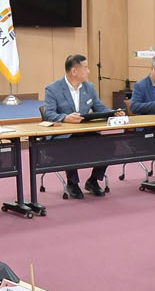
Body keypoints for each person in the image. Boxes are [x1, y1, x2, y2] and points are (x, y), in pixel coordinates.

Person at [41, 53, 112, 199]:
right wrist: (65, 118)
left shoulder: (89, 87)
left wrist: (114, 113)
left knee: (109, 146)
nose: (89, 71)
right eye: (85, 68)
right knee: (71, 147)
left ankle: (93, 181)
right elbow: (49, 114)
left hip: (85, 132)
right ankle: (72, 183)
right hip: (63, 136)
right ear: (74, 71)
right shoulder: (53, 89)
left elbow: (100, 108)